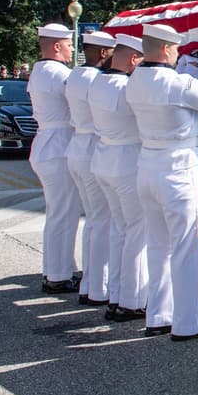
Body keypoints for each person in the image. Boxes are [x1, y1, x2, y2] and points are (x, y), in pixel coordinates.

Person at [125, 23, 198, 340]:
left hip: (147, 166)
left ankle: (158, 315)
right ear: (168, 50)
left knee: (158, 247)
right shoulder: (178, 83)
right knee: (187, 247)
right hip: (179, 171)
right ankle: (188, 323)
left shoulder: (134, 81)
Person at [89, 34, 147, 322]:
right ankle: (132, 300)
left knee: (119, 229)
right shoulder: (127, 87)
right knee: (137, 230)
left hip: (103, 157)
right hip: (127, 160)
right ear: (134, 59)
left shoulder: (97, 81)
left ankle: (115, 295)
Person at [64, 30, 118, 306]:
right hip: (93, 146)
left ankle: (90, 282)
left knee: (94, 220)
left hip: (77, 146)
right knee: (102, 220)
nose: (112, 58)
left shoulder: (74, 74)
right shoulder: (97, 79)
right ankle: (99, 286)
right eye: (111, 53)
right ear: (101, 53)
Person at [29, 23, 82, 294]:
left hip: (47, 143)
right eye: (69, 44)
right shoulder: (58, 73)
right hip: (58, 145)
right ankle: (58, 275)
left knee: (58, 212)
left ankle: (60, 268)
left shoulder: (40, 71)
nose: (72, 49)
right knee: (64, 213)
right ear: (57, 46)